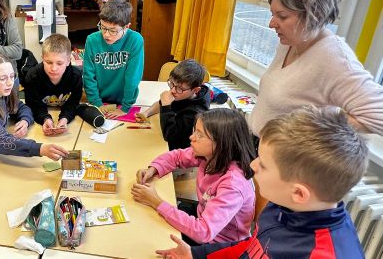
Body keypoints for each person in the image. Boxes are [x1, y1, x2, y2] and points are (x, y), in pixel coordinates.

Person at [156, 106, 367, 258]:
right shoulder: (283, 205)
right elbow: (251, 246)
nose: (253, 165)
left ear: (299, 193)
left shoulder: (324, 253)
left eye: (264, 165)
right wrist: (196, 254)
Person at [248, 0, 383, 137]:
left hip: (285, 158)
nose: (271, 24)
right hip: (259, 143)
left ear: (315, 15)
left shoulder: (334, 58)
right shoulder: (290, 42)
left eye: (282, 16)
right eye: (272, 14)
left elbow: (379, 117)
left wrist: (312, 122)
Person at [132, 109, 255, 245]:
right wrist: (154, 168)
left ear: (222, 143)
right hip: (203, 216)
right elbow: (177, 156)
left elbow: (203, 232)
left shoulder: (233, 184)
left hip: (219, 245)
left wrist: (156, 202)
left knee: (155, 240)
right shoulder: (210, 155)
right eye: (195, 130)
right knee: (150, 220)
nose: (192, 137)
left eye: (200, 135)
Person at [0, 52, 69, 160]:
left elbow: (22, 107)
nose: (10, 83)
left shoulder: (1, 92)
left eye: (12, 76)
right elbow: (3, 142)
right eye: (2, 78)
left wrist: (25, 120)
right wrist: (40, 149)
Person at [82, 0, 144, 119]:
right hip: (99, 99)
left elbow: (133, 77)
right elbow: (88, 75)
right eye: (103, 27)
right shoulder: (92, 40)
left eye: (113, 31)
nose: (106, 34)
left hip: (124, 100)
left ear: (126, 27)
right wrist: (96, 102)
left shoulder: (135, 40)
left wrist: (125, 107)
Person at [135, 60, 210, 150]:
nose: (173, 91)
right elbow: (161, 103)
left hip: (180, 149)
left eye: (180, 88)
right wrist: (146, 113)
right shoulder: (182, 94)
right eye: (171, 84)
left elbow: (169, 135)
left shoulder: (195, 114)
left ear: (195, 90)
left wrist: (166, 106)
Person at [22, 34, 82, 136]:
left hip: (66, 116)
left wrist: (64, 119)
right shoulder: (32, 77)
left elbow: (73, 103)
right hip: (41, 116)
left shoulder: (75, 76)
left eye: (59, 63)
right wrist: (45, 119)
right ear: (42, 58)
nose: (54, 68)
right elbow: (33, 105)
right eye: (49, 62)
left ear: (68, 61)